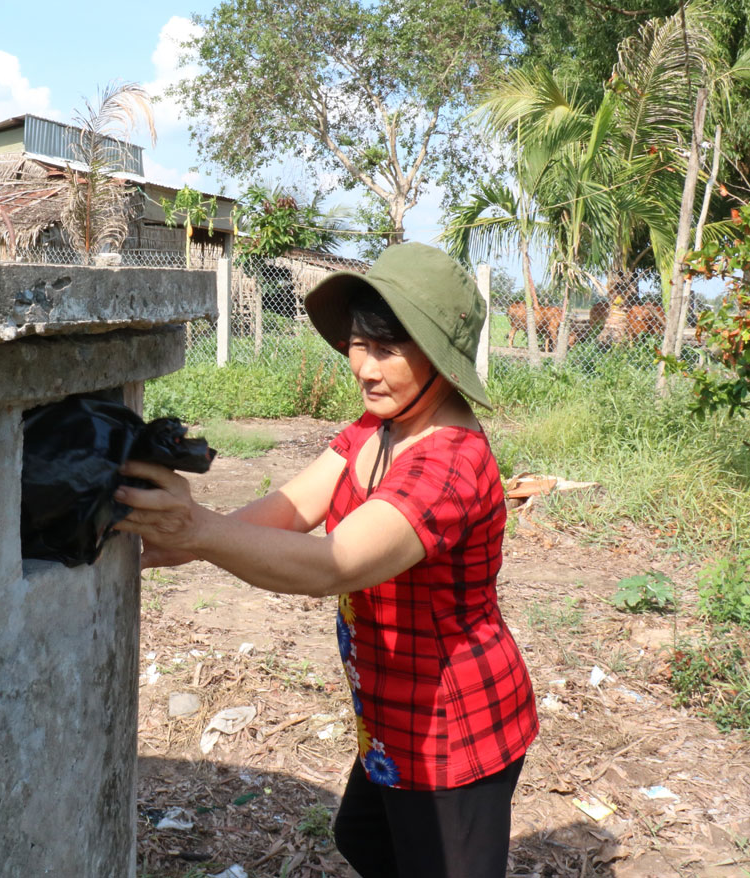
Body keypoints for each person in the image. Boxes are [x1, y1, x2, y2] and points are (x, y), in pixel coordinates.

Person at [114, 242, 538, 878]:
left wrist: (198, 530)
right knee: (367, 841)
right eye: (359, 345)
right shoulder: (377, 429)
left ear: (440, 358)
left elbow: (334, 564)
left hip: (454, 729)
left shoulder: (450, 461)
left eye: (389, 349)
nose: (365, 368)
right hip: (392, 712)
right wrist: (179, 541)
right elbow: (290, 507)